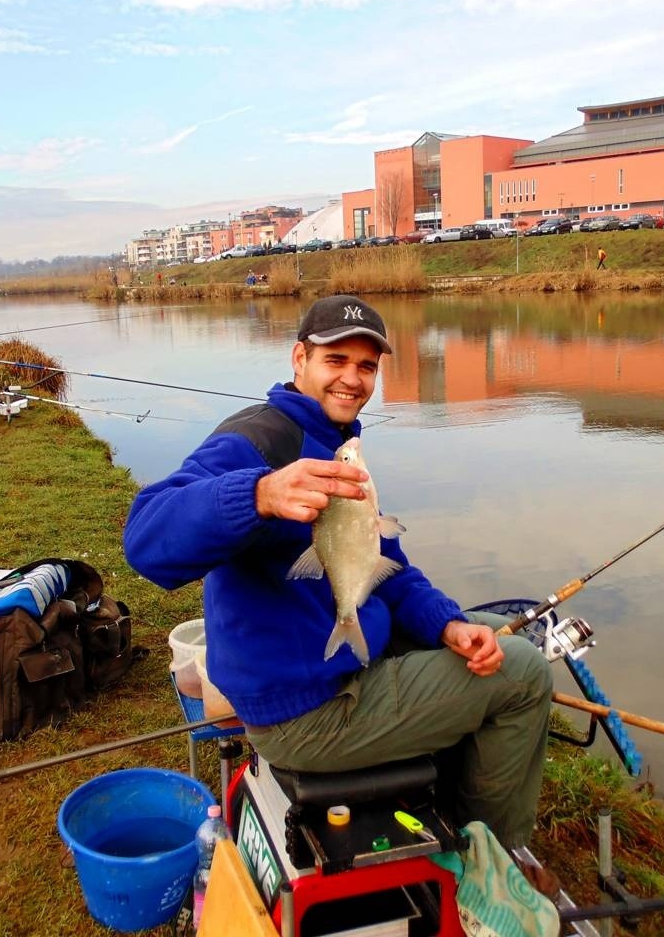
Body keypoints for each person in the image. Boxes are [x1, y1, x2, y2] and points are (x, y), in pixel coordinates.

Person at [124, 294, 554, 851]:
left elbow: (384, 564)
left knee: (483, 635)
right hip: (305, 710)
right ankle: (491, 856)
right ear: (299, 359)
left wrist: (447, 624)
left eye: (367, 366)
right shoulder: (257, 440)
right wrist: (258, 494)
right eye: (336, 361)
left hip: (341, 661)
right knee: (522, 674)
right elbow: (145, 540)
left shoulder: (335, 441)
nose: (352, 379)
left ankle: (451, 802)